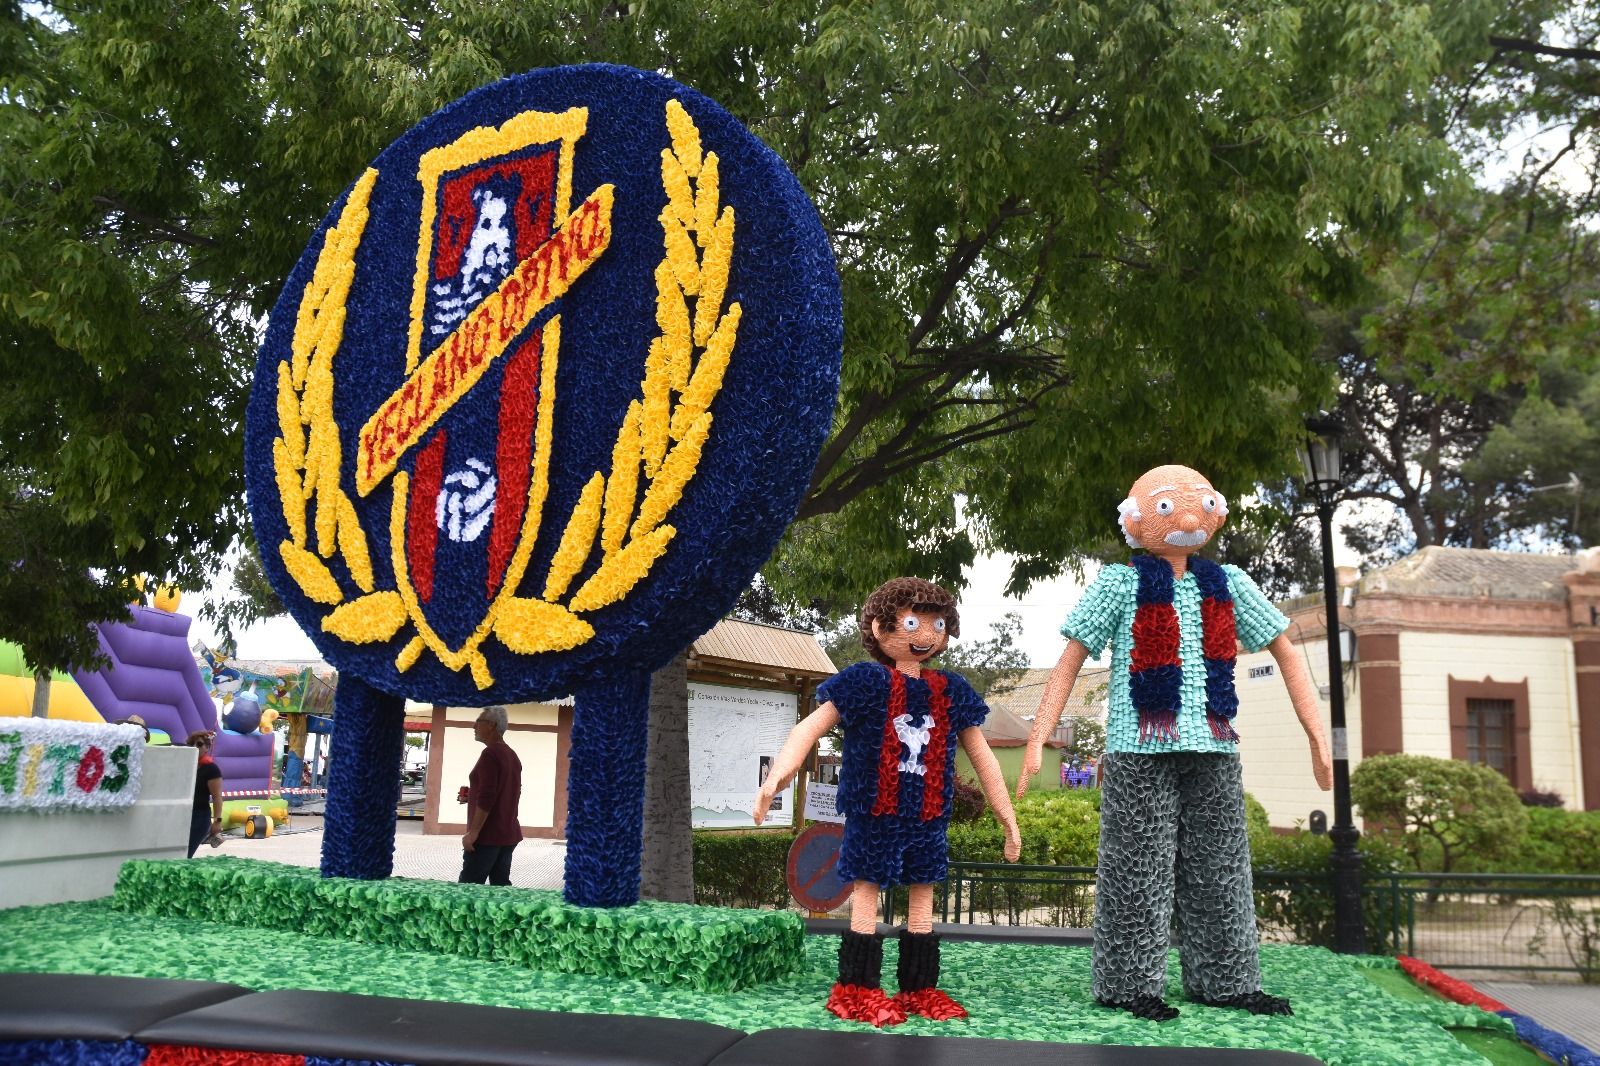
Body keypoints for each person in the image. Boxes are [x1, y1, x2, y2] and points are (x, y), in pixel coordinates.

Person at [1018, 464, 1333, 1022]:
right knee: (1136, 867)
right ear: (1136, 522)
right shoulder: (1120, 584)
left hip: (1215, 744)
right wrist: (1039, 735)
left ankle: (1228, 981)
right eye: (1167, 506)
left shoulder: (1230, 584)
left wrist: (1316, 732)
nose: (1188, 515)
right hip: (1138, 746)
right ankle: (1129, 985)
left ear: (1217, 510)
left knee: (1223, 866)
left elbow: (1285, 651)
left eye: (1201, 502)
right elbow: (1071, 658)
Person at [756, 578, 1021, 1027]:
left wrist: (1007, 815)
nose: (926, 635)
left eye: (938, 623)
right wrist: (778, 774)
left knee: (923, 897)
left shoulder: (952, 690)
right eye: (914, 622)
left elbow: (983, 756)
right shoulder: (864, 682)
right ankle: (857, 990)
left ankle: (919, 990)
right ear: (880, 627)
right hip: (874, 811)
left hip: (928, 815)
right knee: (867, 893)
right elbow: (810, 727)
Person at [459, 705, 522, 885]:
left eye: (478, 721)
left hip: (488, 836)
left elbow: (487, 797)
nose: (474, 726)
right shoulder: (511, 755)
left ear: (492, 725)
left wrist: (473, 833)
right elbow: (508, 791)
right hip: (507, 834)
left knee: (468, 892)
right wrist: (471, 795)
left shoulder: (490, 754)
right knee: (500, 893)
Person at [184, 730, 224, 857]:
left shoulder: (211, 769)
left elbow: (217, 797)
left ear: (207, 747)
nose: (195, 747)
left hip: (199, 817)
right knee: (178, 852)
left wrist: (217, 821)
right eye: (191, 744)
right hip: (184, 814)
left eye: (199, 744)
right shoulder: (186, 765)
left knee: (185, 854)